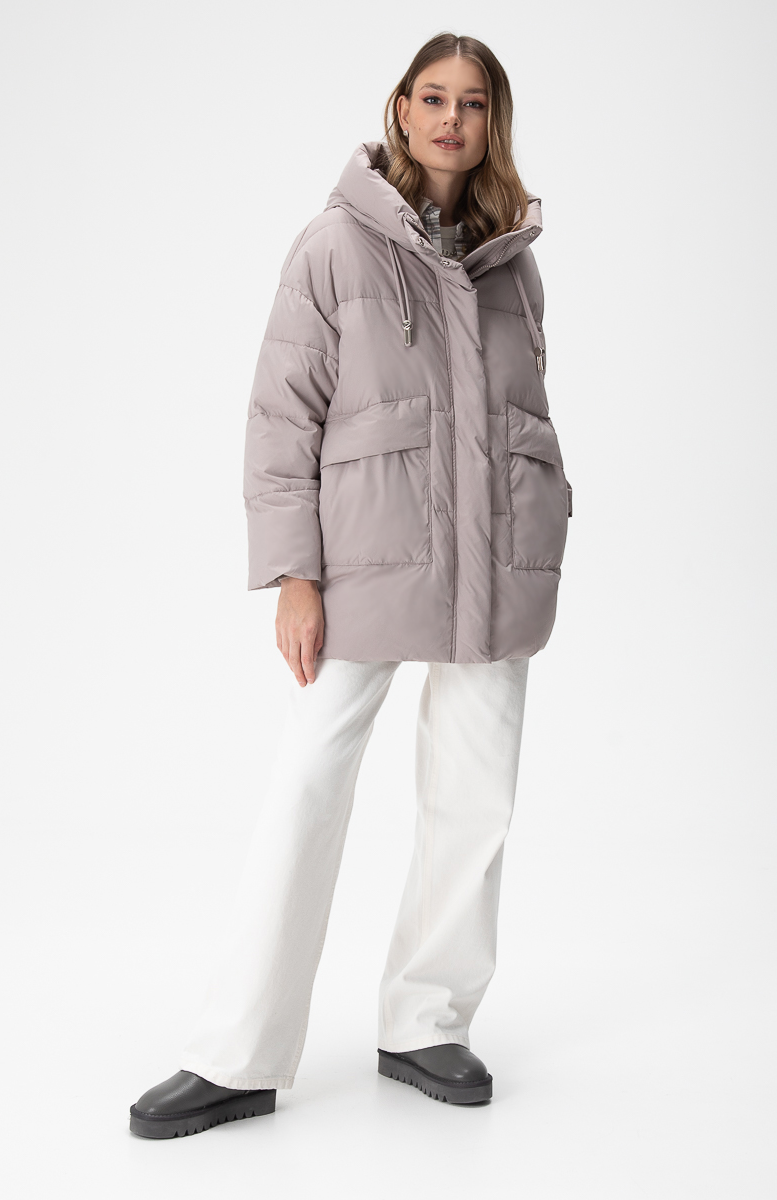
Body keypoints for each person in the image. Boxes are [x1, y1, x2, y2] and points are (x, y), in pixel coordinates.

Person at [129, 31, 572, 1140]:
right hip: (368, 554)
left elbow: (527, 411)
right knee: (309, 788)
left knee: (476, 798)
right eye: (435, 97)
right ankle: (237, 1052)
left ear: (493, 122)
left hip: (494, 563)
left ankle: (427, 1021)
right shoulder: (334, 245)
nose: (452, 119)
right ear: (401, 107)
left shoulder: (514, 261)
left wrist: (544, 515)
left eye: (474, 102)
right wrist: (295, 572)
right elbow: (283, 414)